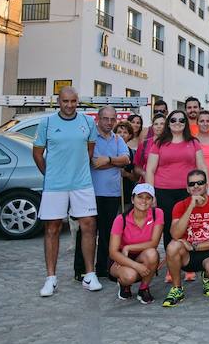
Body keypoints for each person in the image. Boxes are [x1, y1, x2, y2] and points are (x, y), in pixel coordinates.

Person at [33, 86, 101, 297]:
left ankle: (90, 275)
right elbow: (37, 154)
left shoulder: (88, 122)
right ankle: (50, 278)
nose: (69, 105)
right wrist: (51, 175)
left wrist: (74, 171)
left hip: (82, 184)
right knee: (52, 229)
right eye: (65, 101)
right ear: (58, 101)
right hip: (55, 186)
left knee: (89, 226)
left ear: (77, 101)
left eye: (73, 101)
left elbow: (89, 151)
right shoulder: (47, 123)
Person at [74, 106, 130, 280]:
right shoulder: (91, 139)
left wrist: (110, 159)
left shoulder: (117, 139)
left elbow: (126, 159)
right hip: (91, 192)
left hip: (112, 194)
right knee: (86, 231)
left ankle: (103, 268)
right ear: (98, 118)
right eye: (105, 118)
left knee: (108, 233)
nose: (109, 122)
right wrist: (115, 162)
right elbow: (95, 163)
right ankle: (81, 269)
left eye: (112, 119)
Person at [145, 109, 209, 250]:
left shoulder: (193, 142)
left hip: (189, 191)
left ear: (186, 123)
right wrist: (151, 194)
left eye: (181, 120)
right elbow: (150, 170)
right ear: (168, 123)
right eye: (173, 120)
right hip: (163, 191)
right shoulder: (159, 143)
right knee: (169, 226)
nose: (177, 123)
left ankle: (188, 263)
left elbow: (202, 167)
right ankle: (172, 262)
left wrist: (208, 189)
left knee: (190, 225)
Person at [162, 169, 209, 306]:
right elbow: (175, 235)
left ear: (206, 185)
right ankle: (177, 288)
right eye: (192, 184)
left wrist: (193, 246)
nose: (196, 186)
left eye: (200, 182)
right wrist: (191, 206)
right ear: (187, 188)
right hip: (187, 255)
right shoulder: (180, 206)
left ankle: (207, 276)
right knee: (172, 246)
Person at [108, 183, 162, 304]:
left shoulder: (157, 213)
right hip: (121, 257)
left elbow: (154, 243)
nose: (144, 200)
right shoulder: (121, 219)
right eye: (140, 197)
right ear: (132, 199)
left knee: (152, 254)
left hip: (142, 254)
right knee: (129, 276)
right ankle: (124, 284)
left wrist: (128, 247)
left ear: (152, 200)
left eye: (148, 197)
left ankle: (144, 289)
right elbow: (113, 252)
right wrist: (137, 266)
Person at [134, 114, 165, 182]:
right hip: (147, 184)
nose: (159, 126)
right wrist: (144, 174)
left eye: (162, 124)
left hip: (165, 183)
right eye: (156, 124)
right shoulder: (144, 144)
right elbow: (136, 167)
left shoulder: (171, 143)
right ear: (152, 127)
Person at [116, 120, 139, 206]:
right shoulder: (109, 151)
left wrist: (126, 174)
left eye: (125, 132)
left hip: (127, 195)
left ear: (130, 135)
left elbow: (136, 178)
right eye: (119, 132)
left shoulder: (133, 153)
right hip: (110, 194)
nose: (122, 134)